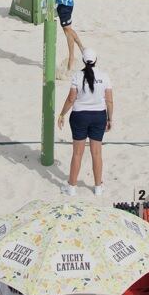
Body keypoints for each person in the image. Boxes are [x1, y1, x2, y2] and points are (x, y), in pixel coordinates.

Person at [57, 48, 113, 195]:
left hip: (79, 116)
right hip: (98, 116)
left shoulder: (77, 76)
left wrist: (62, 114)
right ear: (96, 60)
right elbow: (110, 101)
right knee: (97, 153)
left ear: (83, 61)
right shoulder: (104, 76)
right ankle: (98, 187)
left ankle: (72, 187)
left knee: (77, 154)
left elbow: (71, 99)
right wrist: (110, 118)